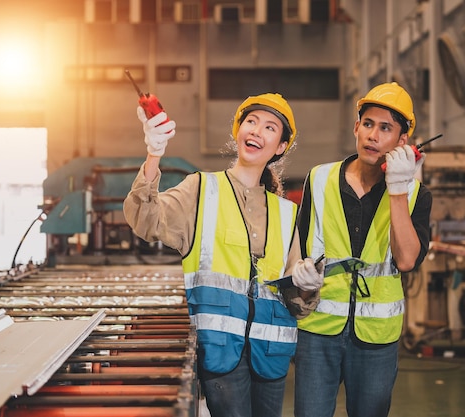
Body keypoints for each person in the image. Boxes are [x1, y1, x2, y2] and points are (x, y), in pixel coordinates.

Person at [123, 93, 324, 417]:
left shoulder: (287, 213)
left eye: (270, 127)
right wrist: (154, 155)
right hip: (218, 351)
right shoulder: (201, 190)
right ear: (238, 131)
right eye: (251, 122)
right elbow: (144, 220)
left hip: (271, 355)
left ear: (281, 146)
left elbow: (298, 305)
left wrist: (307, 284)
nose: (257, 131)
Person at [293, 82, 433, 417]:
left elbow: (406, 259)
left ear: (402, 142)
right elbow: (298, 243)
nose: (373, 135)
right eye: (368, 124)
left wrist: (398, 188)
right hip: (318, 329)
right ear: (356, 127)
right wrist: (296, 270)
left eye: (385, 128)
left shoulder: (417, 195)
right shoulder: (319, 178)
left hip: (376, 339)